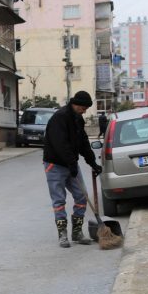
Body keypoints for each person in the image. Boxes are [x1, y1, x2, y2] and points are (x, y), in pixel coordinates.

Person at [43, 91, 103, 248]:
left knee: (81, 197)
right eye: (83, 108)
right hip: (54, 165)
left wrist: (92, 163)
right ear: (76, 104)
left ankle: (76, 233)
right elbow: (60, 144)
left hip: (71, 164)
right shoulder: (60, 117)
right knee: (59, 200)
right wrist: (71, 163)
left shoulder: (78, 119)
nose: (85, 111)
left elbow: (82, 142)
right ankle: (62, 235)